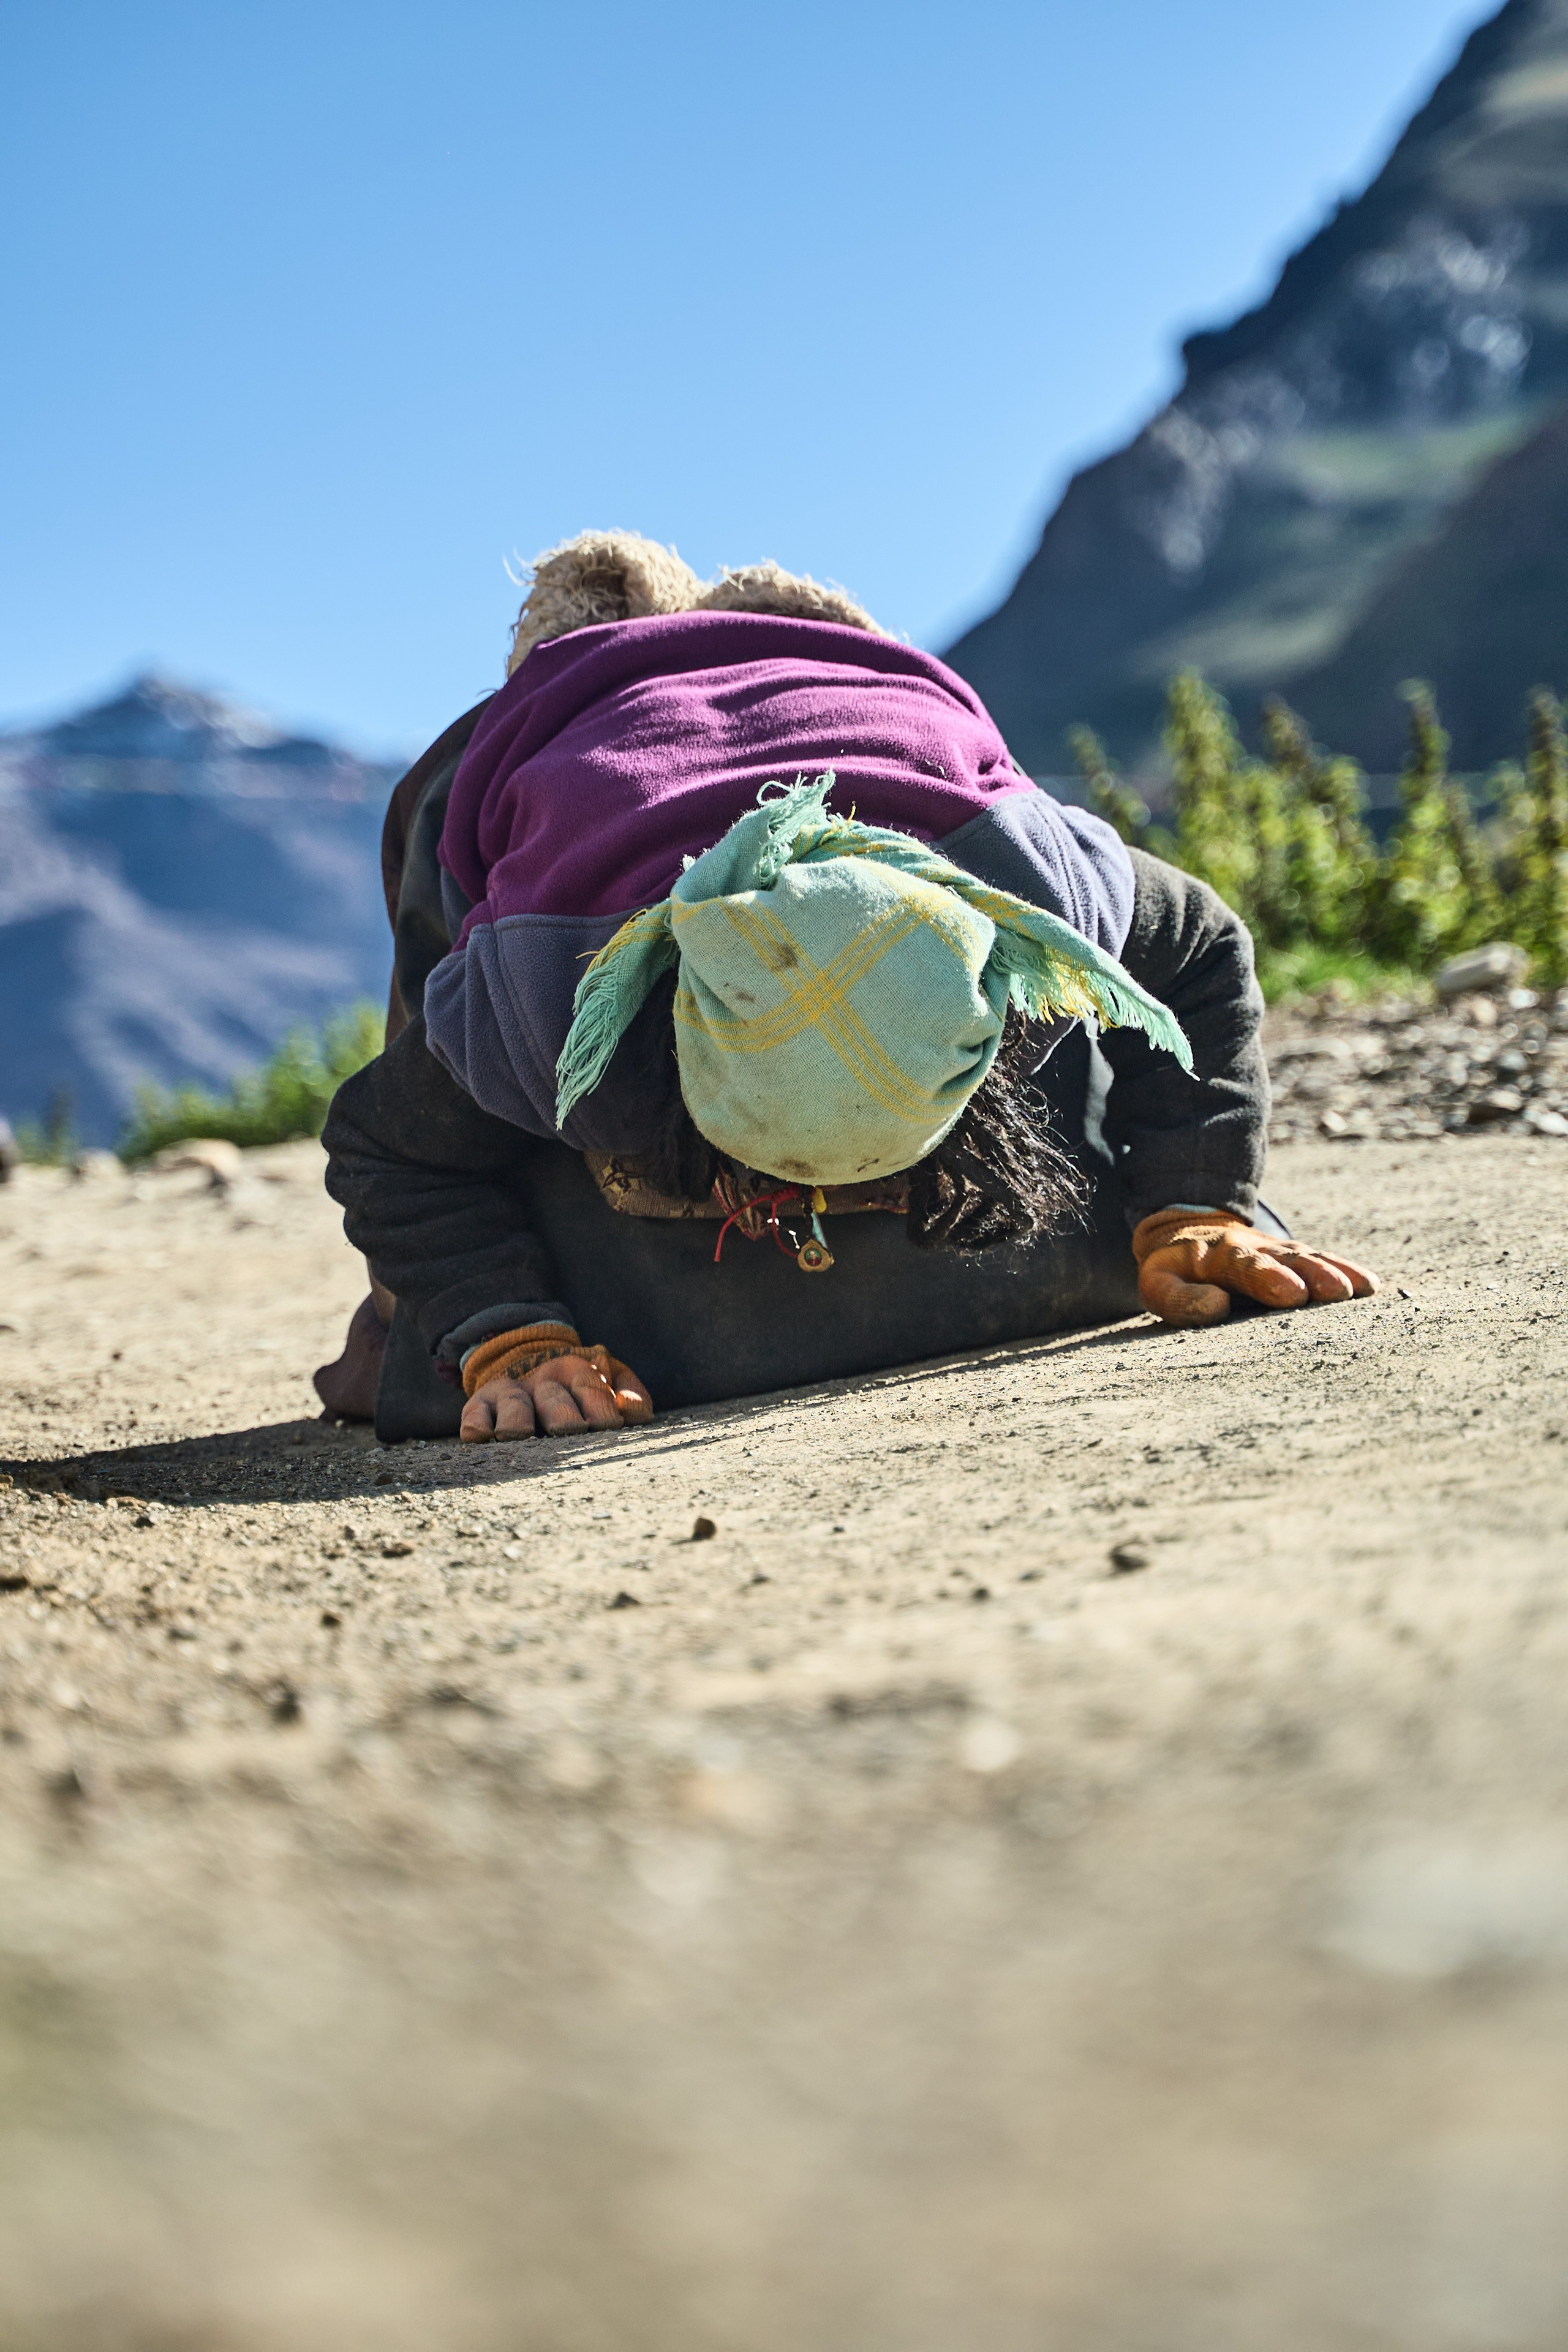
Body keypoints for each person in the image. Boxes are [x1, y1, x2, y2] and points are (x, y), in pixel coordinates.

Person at [317, 532, 1374, 1444]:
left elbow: (1198, 948)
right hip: (574, 790)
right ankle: (616, 633)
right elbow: (388, 1140)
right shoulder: (555, 995)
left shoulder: (1024, 881)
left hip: (880, 730)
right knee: (412, 1334)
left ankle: (766, 635)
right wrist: (505, 1335)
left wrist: (1195, 1206)